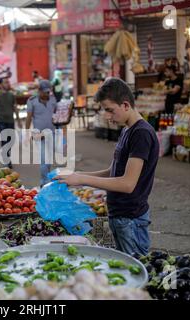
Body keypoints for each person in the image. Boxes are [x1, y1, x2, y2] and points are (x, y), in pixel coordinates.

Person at [53, 78, 159, 256]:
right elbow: (113, 171)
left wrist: (82, 179)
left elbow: (127, 183)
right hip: (120, 216)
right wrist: (78, 175)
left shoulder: (141, 133)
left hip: (131, 219)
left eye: (110, 110)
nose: (108, 117)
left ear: (125, 105)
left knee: (135, 272)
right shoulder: (127, 130)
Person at [25, 80, 57, 186]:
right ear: (39, 91)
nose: (47, 94)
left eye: (49, 92)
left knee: (49, 159)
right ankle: (45, 182)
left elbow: (57, 115)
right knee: (44, 158)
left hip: (52, 133)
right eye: (45, 92)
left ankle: (44, 180)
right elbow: (29, 118)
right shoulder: (32, 101)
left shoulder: (53, 99)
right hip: (39, 135)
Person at [0, 78, 21, 169]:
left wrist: (18, 120)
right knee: (5, 141)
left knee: (10, 141)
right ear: (0, 85)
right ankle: (7, 160)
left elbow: (15, 107)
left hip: (11, 121)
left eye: (8, 82)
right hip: (2, 121)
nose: (8, 84)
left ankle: (7, 157)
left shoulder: (11, 95)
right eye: (5, 82)